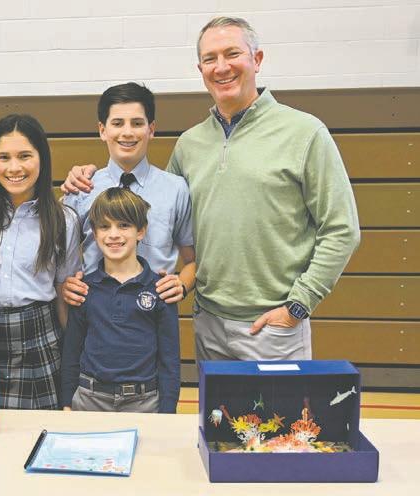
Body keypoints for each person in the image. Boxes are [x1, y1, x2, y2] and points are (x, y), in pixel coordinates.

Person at [62, 17, 361, 362]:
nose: (221, 67)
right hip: (208, 324)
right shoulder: (190, 144)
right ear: (200, 69)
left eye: (232, 54)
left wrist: (298, 305)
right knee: (214, 402)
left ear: (257, 59)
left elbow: (342, 230)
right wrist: (83, 176)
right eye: (210, 58)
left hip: (274, 324)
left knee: (277, 403)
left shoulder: (304, 132)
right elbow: (157, 215)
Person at [0, 114, 81, 410]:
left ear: (41, 158)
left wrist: (72, 360)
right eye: (4, 157)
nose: (14, 168)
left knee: (39, 431)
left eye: (24, 156)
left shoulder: (64, 220)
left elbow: (64, 292)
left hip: (40, 342)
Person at [61, 82, 195, 308]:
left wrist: (182, 284)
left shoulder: (176, 189)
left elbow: (193, 261)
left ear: (151, 129)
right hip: (96, 313)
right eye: (117, 123)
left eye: (137, 123)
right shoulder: (82, 188)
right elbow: (61, 261)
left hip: (154, 312)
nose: (127, 132)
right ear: (102, 130)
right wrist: (65, 285)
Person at [60, 187, 180, 414]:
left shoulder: (161, 290)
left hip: (145, 402)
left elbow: (170, 361)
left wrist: (167, 412)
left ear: (141, 231)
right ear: (95, 233)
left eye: (123, 225)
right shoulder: (83, 288)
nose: (113, 234)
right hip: (89, 400)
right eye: (104, 226)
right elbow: (71, 353)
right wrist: (67, 403)